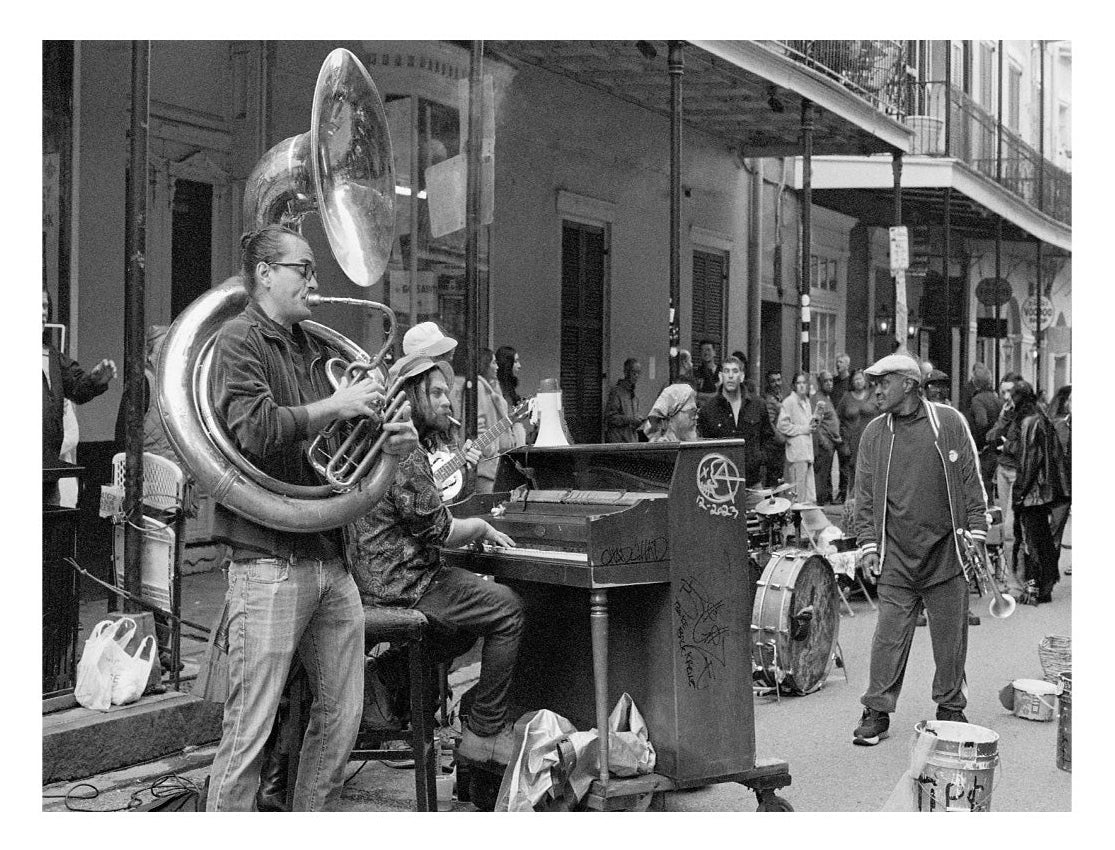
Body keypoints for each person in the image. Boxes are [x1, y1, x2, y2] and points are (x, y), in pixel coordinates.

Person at [205, 224, 418, 811]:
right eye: (303, 269)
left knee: (344, 719)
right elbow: (256, 430)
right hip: (267, 558)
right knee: (248, 733)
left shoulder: (310, 345)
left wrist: (386, 440)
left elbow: (340, 456)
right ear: (265, 273)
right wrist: (337, 405)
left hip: (329, 555)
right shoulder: (237, 340)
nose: (315, 281)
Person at [353, 354, 524, 766]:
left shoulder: (380, 438)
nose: (448, 400)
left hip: (377, 577)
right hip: (403, 583)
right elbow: (441, 531)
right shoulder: (405, 450)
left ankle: (387, 681)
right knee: (507, 609)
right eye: (436, 392)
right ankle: (484, 731)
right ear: (411, 397)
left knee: (463, 628)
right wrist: (482, 528)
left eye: (447, 391)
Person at [851, 353, 988, 746]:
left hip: (947, 551)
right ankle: (876, 710)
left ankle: (950, 706)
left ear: (909, 384)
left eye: (884, 382)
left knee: (951, 638)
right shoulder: (875, 434)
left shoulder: (947, 423)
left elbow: (970, 482)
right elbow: (863, 498)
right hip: (895, 554)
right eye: (873, 381)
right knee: (888, 637)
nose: (875, 389)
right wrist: (867, 544)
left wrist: (976, 533)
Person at [42, 288, 116, 500]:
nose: (42, 313)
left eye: (45, 306)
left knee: (50, 530)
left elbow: (78, 389)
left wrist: (95, 380)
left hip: (47, 475)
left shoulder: (53, 357)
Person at [1011, 380, 1070, 605]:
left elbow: (1029, 461)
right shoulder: (1041, 416)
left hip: (1033, 492)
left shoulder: (1029, 422)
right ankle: (1044, 584)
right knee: (1043, 539)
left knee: (1032, 541)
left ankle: (1036, 587)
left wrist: (1019, 492)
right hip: (1044, 489)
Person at [696, 355, 775, 485]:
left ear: (742, 376)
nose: (731, 376)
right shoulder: (708, 409)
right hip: (719, 484)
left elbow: (769, 438)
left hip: (752, 482)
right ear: (721, 376)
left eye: (735, 371)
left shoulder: (757, 405)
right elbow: (702, 445)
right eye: (727, 371)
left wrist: (760, 458)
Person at [448, 348, 511, 494]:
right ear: (485, 364)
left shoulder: (490, 387)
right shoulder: (479, 387)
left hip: (491, 461)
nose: (497, 367)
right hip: (486, 464)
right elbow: (478, 423)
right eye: (493, 362)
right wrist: (489, 450)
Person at [986, 372, 1025, 590]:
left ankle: (1016, 579)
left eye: (1010, 392)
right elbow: (992, 435)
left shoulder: (1028, 415)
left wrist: (1008, 446)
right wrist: (1003, 420)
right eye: (1003, 392)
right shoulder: (1006, 411)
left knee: (1012, 528)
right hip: (1003, 469)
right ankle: (1011, 575)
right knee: (1006, 529)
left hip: (1019, 472)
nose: (1007, 397)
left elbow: (1029, 446)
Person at [835, 369, 877, 500]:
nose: (859, 382)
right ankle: (853, 502)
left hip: (870, 438)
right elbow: (838, 418)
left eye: (861, 379)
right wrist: (841, 439)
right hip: (852, 440)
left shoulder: (873, 394)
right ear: (852, 382)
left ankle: (870, 499)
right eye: (856, 379)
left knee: (870, 469)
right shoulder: (846, 397)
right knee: (853, 470)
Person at [777, 372, 818, 504]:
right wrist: (803, 429)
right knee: (797, 494)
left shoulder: (807, 401)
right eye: (798, 383)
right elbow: (782, 425)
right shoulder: (789, 402)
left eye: (804, 383)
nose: (801, 386)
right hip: (796, 452)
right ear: (794, 385)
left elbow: (807, 425)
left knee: (809, 494)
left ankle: (807, 521)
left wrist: (812, 424)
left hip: (807, 451)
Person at [963, 363, 1003, 495]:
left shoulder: (977, 400)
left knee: (983, 483)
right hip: (997, 447)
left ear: (975, 381)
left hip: (985, 449)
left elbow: (982, 421)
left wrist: (980, 443)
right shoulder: (997, 399)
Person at [1047, 385, 1072, 567]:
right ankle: (1047, 580)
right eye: (1071, 400)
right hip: (1062, 487)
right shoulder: (1058, 426)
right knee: (1052, 532)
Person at [810, 370, 843, 504]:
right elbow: (815, 423)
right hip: (824, 444)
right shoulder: (818, 400)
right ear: (819, 383)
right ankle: (820, 504)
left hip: (831, 442)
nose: (829, 383)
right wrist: (823, 442)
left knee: (826, 475)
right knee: (821, 476)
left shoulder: (827, 398)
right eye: (826, 381)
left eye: (831, 380)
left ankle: (826, 498)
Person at [603, 358, 645, 443]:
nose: (636, 376)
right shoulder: (616, 392)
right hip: (618, 441)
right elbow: (610, 418)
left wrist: (638, 421)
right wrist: (630, 420)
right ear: (626, 372)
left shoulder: (634, 396)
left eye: (638, 373)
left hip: (631, 440)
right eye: (634, 373)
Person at [496, 345, 528, 446]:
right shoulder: (497, 388)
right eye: (515, 361)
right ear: (507, 364)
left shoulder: (508, 388)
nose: (519, 366)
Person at [763, 370, 787, 486]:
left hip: (779, 447)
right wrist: (781, 439)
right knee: (774, 480)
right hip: (773, 447)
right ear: (768, 383)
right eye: (773, 381)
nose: (777, 383)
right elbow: (769, 423)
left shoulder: (779, 397)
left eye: (778, 380)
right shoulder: (769, 400)